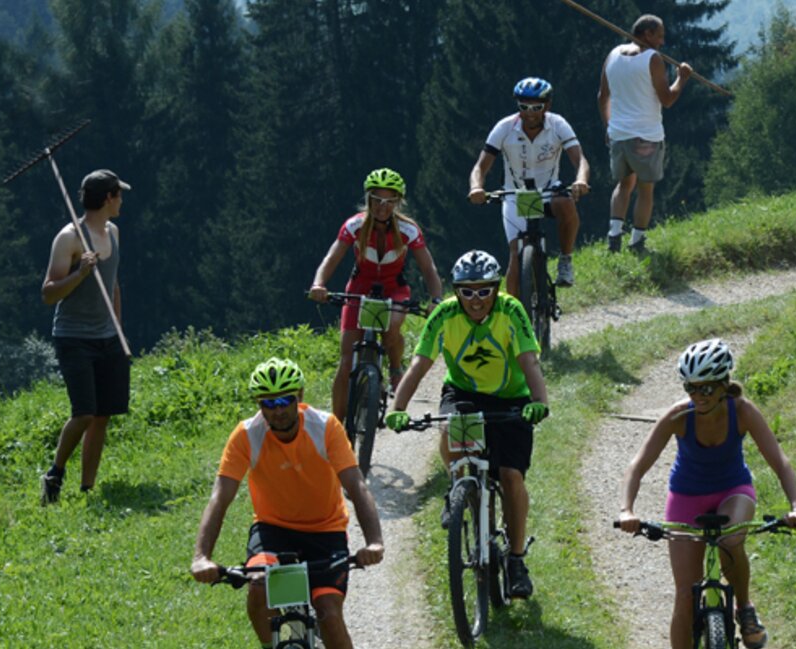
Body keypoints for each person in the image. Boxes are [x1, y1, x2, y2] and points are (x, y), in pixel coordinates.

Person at [613, 339, 796, 649]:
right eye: (691, 388)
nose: (698, 396)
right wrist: (627, 510)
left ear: (723, 385)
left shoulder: (743, 411)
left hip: (733, 490)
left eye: (706, 389)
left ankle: (744, 608)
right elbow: (637, 466)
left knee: (730, 540)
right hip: (686, 498)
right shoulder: (679, 416)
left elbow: (780, 463)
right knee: (685, 596)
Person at [385, 250, 551, 597]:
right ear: (457, 291)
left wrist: (539, 402)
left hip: (512, 398)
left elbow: (529, 361)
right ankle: (457, 487)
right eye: (467, 291)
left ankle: (517, 559)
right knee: (449, 428)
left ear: (495, 288)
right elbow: (419, 363)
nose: (476, 300)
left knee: (510, 476)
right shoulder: (445, 314)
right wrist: (397, 407)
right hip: (464, 392)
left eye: (484, 291)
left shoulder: (511, 310)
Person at [189, 358, 386, 649]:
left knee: (329, 612)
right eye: (268, 403)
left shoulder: (325, 427)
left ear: (300, 397)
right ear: (259, 404)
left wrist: (374, 542)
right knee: (258, 588)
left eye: (285, 400)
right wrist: (201, 556)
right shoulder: (246, 435)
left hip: (326, 530)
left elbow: (356, 485)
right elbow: (220, 498)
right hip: (272, 530)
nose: (278, 410)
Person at [308, 168, 444, 422]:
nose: (382, 207)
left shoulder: (408, 229)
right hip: (359, 287)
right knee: (347, 358)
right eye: (377, 200)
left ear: (398, 202)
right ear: (368, 200)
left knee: (392, 328)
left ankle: (394, 369)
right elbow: (332, 257)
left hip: (395, 288)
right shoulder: (355, 226)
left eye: (389, 201)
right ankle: (338, 430)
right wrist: (319, 284)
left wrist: (435, 300)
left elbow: (429, 268)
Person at [38, 169, 133, 504]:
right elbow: (49, 293)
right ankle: (55, 474)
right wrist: (80, 273)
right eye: (118, 194)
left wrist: (118, 330)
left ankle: (87, 488)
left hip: (107, 337)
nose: (122, 200)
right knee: (84, 413)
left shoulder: (114, 233)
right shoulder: (69, 238)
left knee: (103, 415)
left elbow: (113, 285)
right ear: (108, 198)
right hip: (73, 336)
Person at [468, 77, 593, 290]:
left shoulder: (558, 124)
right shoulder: (505, 127)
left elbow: (580, 159)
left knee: (566, 202)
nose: (530, 112)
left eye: (537, 107)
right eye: (523, 107)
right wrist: (476, 188)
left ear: (547, 106)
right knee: (516, 255)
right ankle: (516, 317)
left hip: (548, 192)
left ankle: (565, 260)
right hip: (517, 196)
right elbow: (480, 166)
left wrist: (581, 180)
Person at [599, 13, 693, 253]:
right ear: (647, 34)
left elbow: (602, 97)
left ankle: (614, 237)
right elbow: (667, 99)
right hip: (646, 136)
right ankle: (637, 241)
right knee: (645, 189)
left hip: (619, 134)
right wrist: (681, 79)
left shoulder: (613, 55)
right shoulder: (653, 58)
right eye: (659, 36)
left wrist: (609, 126)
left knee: (623, 185)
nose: (662, 42)